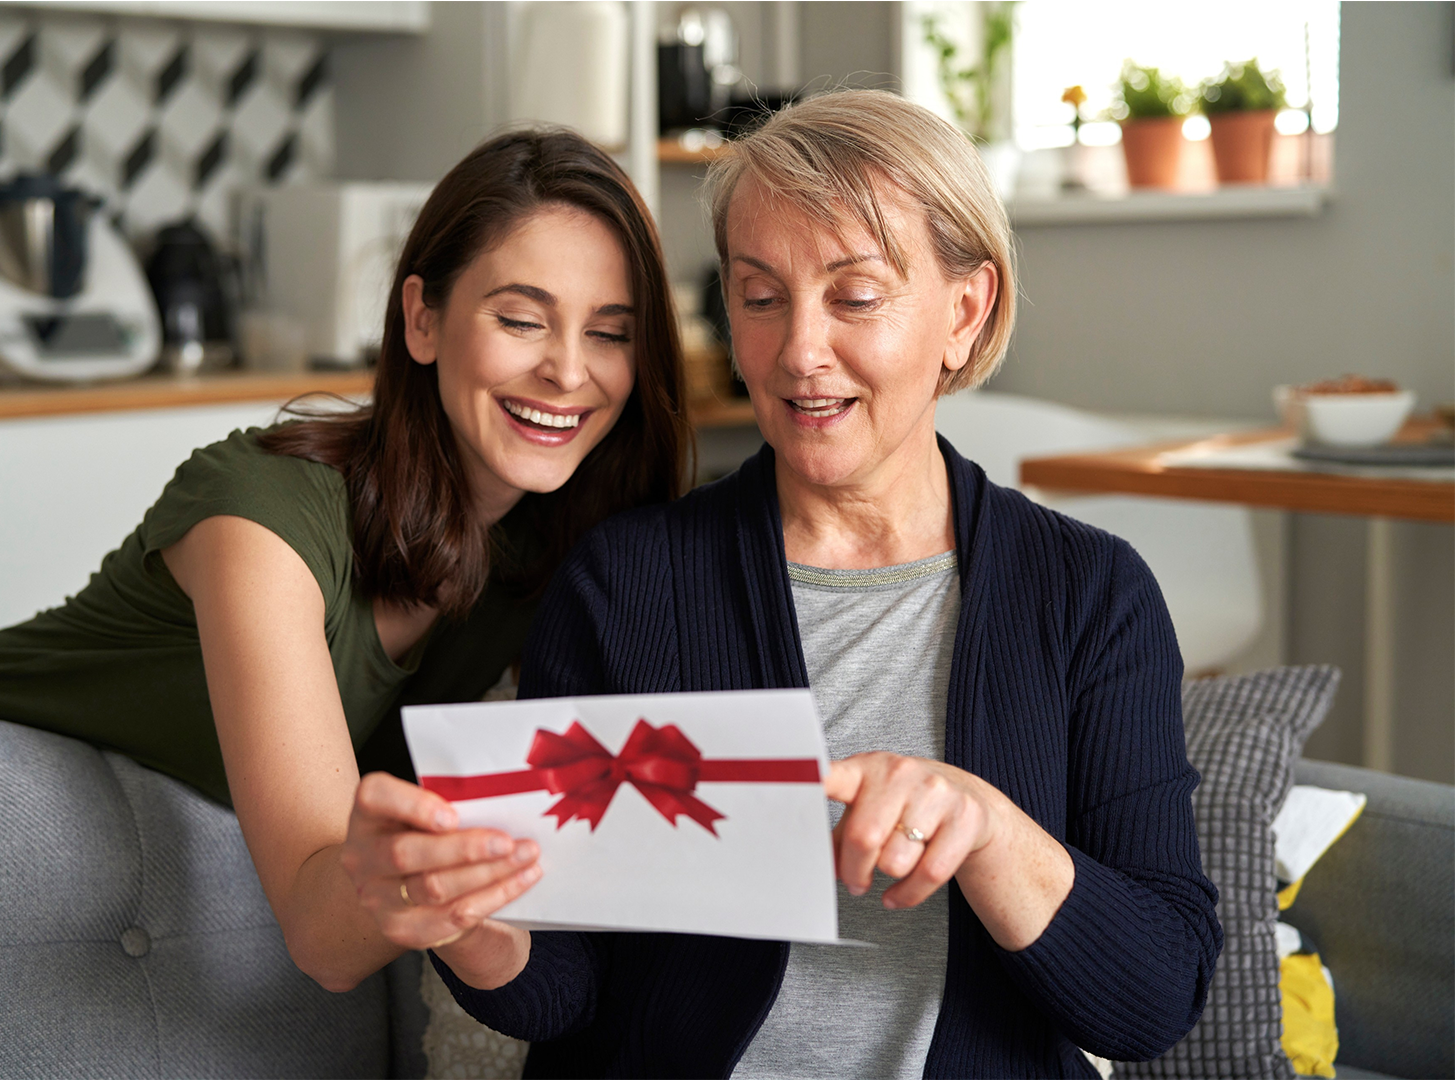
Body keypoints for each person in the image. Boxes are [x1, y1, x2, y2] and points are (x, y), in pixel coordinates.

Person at [341, 91, 1222, 1077]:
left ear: (963, 312)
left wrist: (985, 831)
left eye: (853, 297)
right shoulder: (626, 582)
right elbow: (567, 987)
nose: (799, 352)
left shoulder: (1090, 596)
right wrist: (463, 920)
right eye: (760, 297)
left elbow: (1153, 995)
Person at [0, 129, 691, 994]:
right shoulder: (260, 516)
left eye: (609, 334)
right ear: (422, 319)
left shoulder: (558, 543)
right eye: (522, 320)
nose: (568, 370)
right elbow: (323, 935)